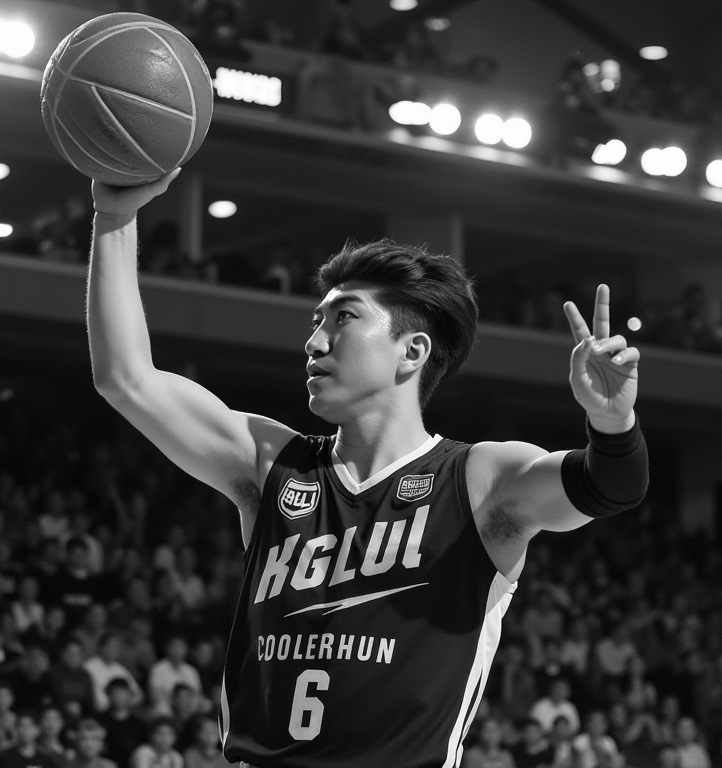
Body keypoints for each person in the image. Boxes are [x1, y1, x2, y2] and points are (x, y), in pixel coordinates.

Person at [88, 173, 648, 766]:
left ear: (412, 351)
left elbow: (609, 487)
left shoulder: (477, 479)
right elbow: (126, 379)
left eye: (343, 319)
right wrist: (114, 217)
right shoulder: (274, 464)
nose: (315, 342)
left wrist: (613, 422)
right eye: (316, 322)